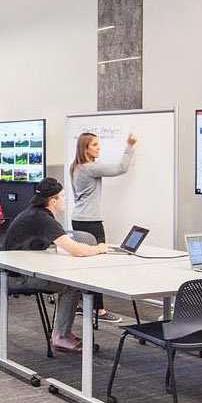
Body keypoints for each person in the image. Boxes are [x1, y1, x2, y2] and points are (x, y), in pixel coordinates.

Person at [2, 177, 108, 352]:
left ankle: (62, 333)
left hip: (14, 270)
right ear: (53, 201)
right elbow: (76, 249)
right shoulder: (43, 219)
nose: (65, 199)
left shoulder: (33, 213)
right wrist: (99, 248)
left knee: (69, 281)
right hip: (15, 277)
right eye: (63, 196)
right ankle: (61, 336)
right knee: (71, 285)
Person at [68, 131, 138, 324]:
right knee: (99, 263)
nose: (99, 148)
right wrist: (130, 146)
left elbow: (76, 195)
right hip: (91, 221)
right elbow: (121, 168)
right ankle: (99, 309)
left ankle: (86, 303)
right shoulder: (90, 168)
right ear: (85, 149)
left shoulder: (75, 167)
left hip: (78, 218)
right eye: (95, 145)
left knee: (86, 264)